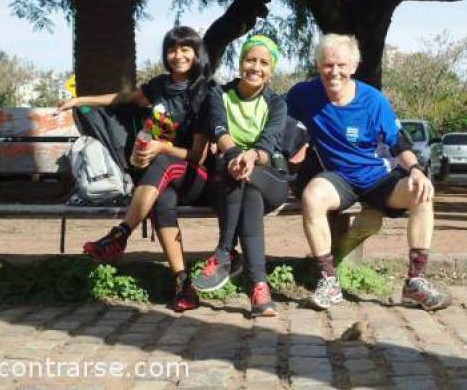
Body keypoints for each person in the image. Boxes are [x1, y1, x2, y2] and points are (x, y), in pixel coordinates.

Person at [287, 33, 451, 311]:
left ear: (353, 66)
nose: (334, 72)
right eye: (328, 65)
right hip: (338, 179)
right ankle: (329, 282)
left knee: (421, 194)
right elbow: (273, 116)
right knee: (312, 197)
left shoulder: (373, 100)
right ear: (318, 66)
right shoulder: (303, 95)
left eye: (341, 65)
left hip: (380, 178)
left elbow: (398, 142)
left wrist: (416, 170)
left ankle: (415, 282)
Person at [59, 26, 214, 312]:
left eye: (185, 49)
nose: (178, 55)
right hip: (164, 181)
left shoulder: (206, 92)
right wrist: (81, 100)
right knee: (162, 201)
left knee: (163, 160)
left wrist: (163, 148)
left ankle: (120, 234)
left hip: (198, 179)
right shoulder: (159, 86)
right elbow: (122, 98)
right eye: (172, 49)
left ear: (196, 53)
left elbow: (197, 156)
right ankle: (184, 285)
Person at [193, 35, 288, 317]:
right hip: (232, 179)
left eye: (263, 63)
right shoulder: (218, 94)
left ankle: (224, 253)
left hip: (269, 178)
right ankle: (259, 287)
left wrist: (249, 157)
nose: (255, 67)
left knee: (246, 179)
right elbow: (219, 129)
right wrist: (236, 156)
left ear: (271, 70)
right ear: (240, 62)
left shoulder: (277, 104)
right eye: (250, 60)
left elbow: (268, 145)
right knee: (245, 189)